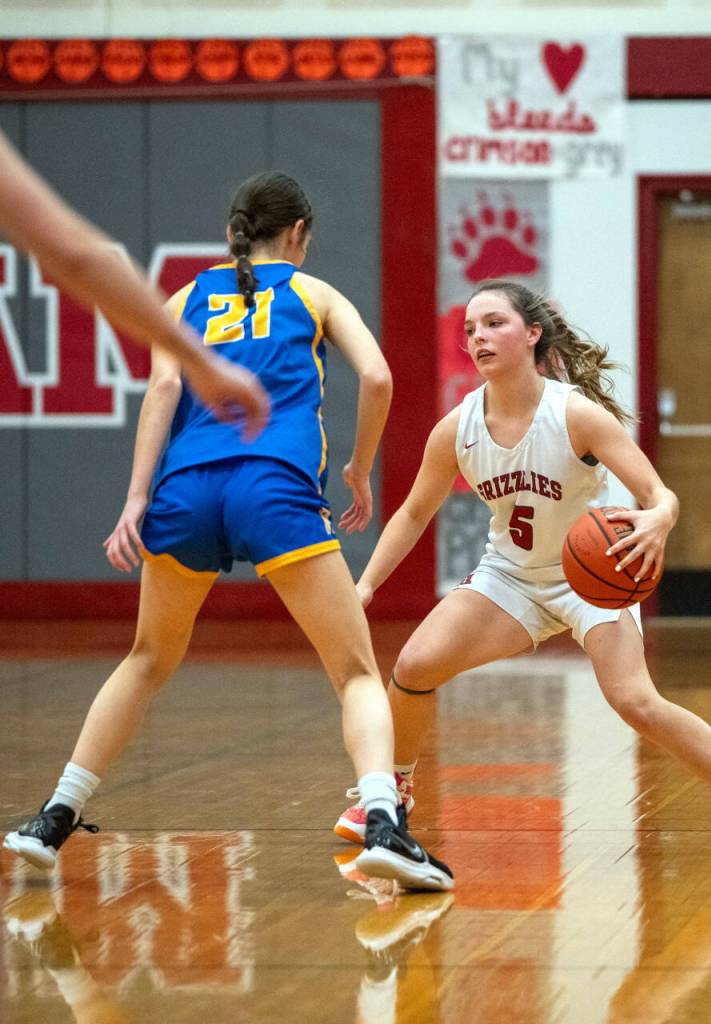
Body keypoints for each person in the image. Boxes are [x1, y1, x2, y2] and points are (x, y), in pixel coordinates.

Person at [3, 172, 453, 891]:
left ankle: (53, 816)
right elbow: (376, 378)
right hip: (271, 483)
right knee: (357, 672)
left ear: (232, 233)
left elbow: (161, 391)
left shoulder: (184, 299)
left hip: (185, 490)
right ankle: (383, 824)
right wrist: (361, 471)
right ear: (299, 234)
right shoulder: (313, 294)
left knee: (147, 658)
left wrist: (135, 500)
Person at [335, 279, 711, 856]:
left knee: (634, 701)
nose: (478, 336)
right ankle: (393, 795)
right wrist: (365, 584)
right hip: (510, 577)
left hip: (590, 579)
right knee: (413, 665)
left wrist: (657, 519)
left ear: (532, 334)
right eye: (470, 329)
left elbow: (660, 495)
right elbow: (411, 514)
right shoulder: (458, 427)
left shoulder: (575, 415)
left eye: (494, 324)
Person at [0, 129, 268, 439]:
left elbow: (77, 257)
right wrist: (202, 364)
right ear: (297, 233)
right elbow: (76, 256)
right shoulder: (310, 292)